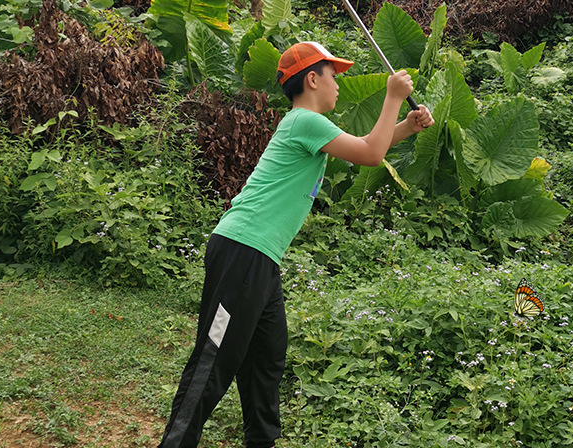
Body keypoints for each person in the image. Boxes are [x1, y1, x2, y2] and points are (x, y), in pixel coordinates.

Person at [158, 40, 434, 448]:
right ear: (312, 79)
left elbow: (364, 145)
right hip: (242, 250)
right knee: (214, 360)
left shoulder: (309, 126)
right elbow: (372, 155)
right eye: (334, 76)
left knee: (265, 361)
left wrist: (407, 126)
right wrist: (394, 96)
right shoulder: (304, 121)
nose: (338, 84)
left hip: (261, 261)